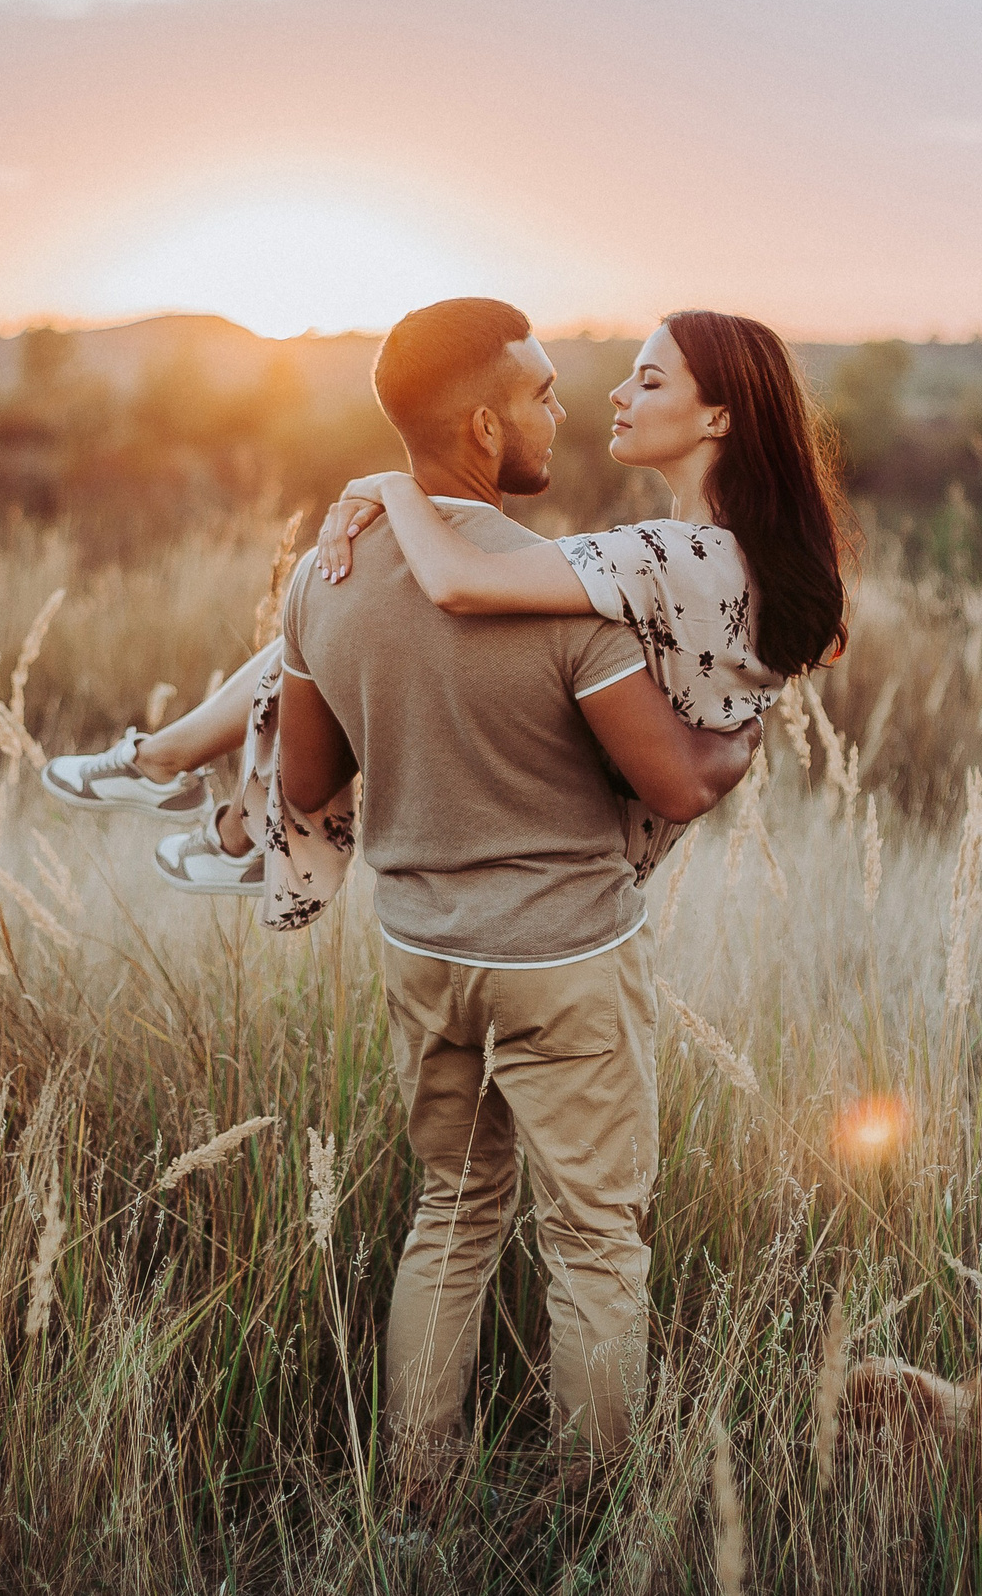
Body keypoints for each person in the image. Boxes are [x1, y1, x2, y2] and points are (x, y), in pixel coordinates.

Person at [263, 297, 771, 1495]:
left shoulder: (323, 578)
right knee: (595, 1244)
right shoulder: (565, 597)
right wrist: (744, 732)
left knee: (448, 1216)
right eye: (542, 395)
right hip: (562, 962)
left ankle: (416, 1506)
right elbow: (673, 783)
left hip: (420, 951)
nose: (564, 410)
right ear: (485, 428)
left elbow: (304, 780)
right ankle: (592, 1518)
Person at [40, 308, 851, 910]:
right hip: (571, 845)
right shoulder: (721, 554)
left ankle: (207, 796)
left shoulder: (669, 556)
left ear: (718, 417)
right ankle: (206, 795)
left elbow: (460, 583)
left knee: (370, 594)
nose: (616, 390)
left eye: (649, 380)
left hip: (561, 866)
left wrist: (395, 487)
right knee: (354, 598)